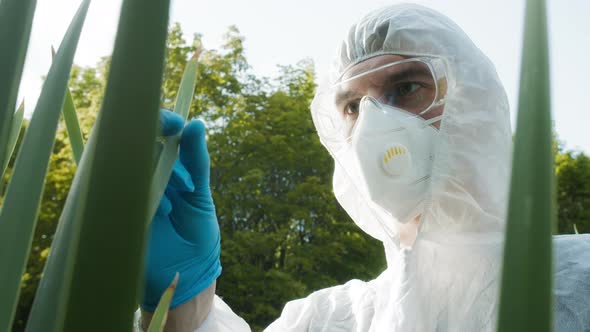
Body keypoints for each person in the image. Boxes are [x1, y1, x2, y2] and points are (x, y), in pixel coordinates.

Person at [136, 4, 590, 331]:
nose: (376, 125)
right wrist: (184, 307)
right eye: (353, 106)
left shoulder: (579, 284)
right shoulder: (328, 319)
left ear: (477, 102)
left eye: (408, 86)